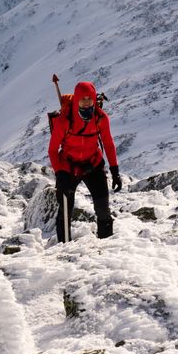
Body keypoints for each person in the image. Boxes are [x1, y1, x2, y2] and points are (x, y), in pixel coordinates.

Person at [48, 81, 120, 242]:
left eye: (90, 98)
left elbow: (108, 143)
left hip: (93, 164)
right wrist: (60, 174)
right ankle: (63, 248)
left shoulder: (100, 118)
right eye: (83, 99)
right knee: (65, 210)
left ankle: (106, 246)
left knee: (103, 209)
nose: (87, 102)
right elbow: (52, 150)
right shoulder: (64, 121)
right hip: (68, 167)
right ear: (76, 100)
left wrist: (115, 170)